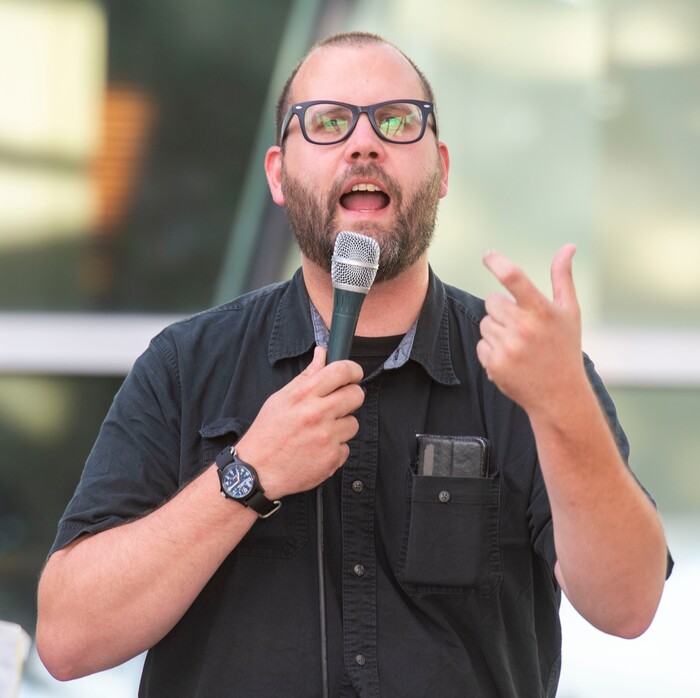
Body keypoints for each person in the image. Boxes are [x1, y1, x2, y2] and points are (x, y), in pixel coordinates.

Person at [36, 31, 671, 697]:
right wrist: (246, 476)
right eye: (329, 121)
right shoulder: (185, 366)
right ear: (278, 174)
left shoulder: (529, 365)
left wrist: (563, 406)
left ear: (442, 168)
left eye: (396, 121)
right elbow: (69, 638)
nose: (364, 143)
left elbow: (627, 606)